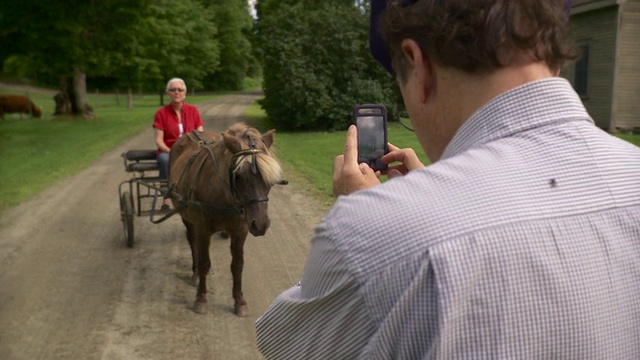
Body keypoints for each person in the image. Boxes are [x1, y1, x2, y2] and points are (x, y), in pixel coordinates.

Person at [256, 0, 640, 358]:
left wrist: (367, 212)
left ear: (418, 66)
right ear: (552, 58)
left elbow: (284, 344)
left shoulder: (372, 229)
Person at [153, 77, 204, 210]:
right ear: (168, 93)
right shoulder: (161, 113)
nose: (177, 92)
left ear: (185, 93)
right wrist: (171, 151)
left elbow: (201, 133)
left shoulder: (193, 110)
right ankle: (166, 198)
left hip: (191, 150)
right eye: (173, 90)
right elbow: (159, 140)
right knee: (164, 159)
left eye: (180, 90)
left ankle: (198, 194)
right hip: (168, 150)